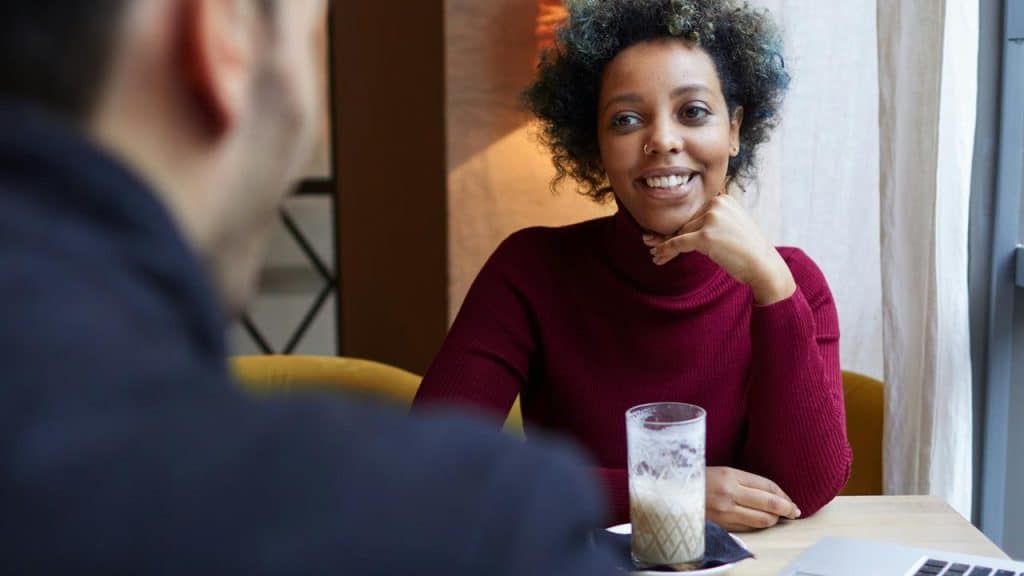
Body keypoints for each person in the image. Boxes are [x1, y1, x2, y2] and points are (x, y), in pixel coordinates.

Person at [0, 1, 619, 574]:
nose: (317, 129)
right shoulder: (476, 528)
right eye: (311, 41)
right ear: (221, 38)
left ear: (725, 131)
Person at [414, 0, 853, 531]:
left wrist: (771, 286)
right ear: (597, 146)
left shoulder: (792, 284)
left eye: (693, 112)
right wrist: (663, 495)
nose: (663, 140)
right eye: (626, 119)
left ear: (734, 130)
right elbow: (435, 465)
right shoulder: (529, 271)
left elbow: (804, 491)